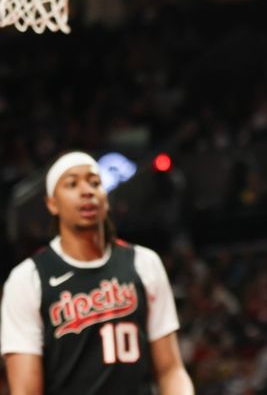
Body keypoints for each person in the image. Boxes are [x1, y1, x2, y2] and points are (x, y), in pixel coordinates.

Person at [1, 151, 194, 395]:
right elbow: (26, 391)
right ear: (52, 203)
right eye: (72, 184)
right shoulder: (27, 279)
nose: (86, 191)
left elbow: (170, 370)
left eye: (95, 182)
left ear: (106, 197)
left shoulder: (144, 263)